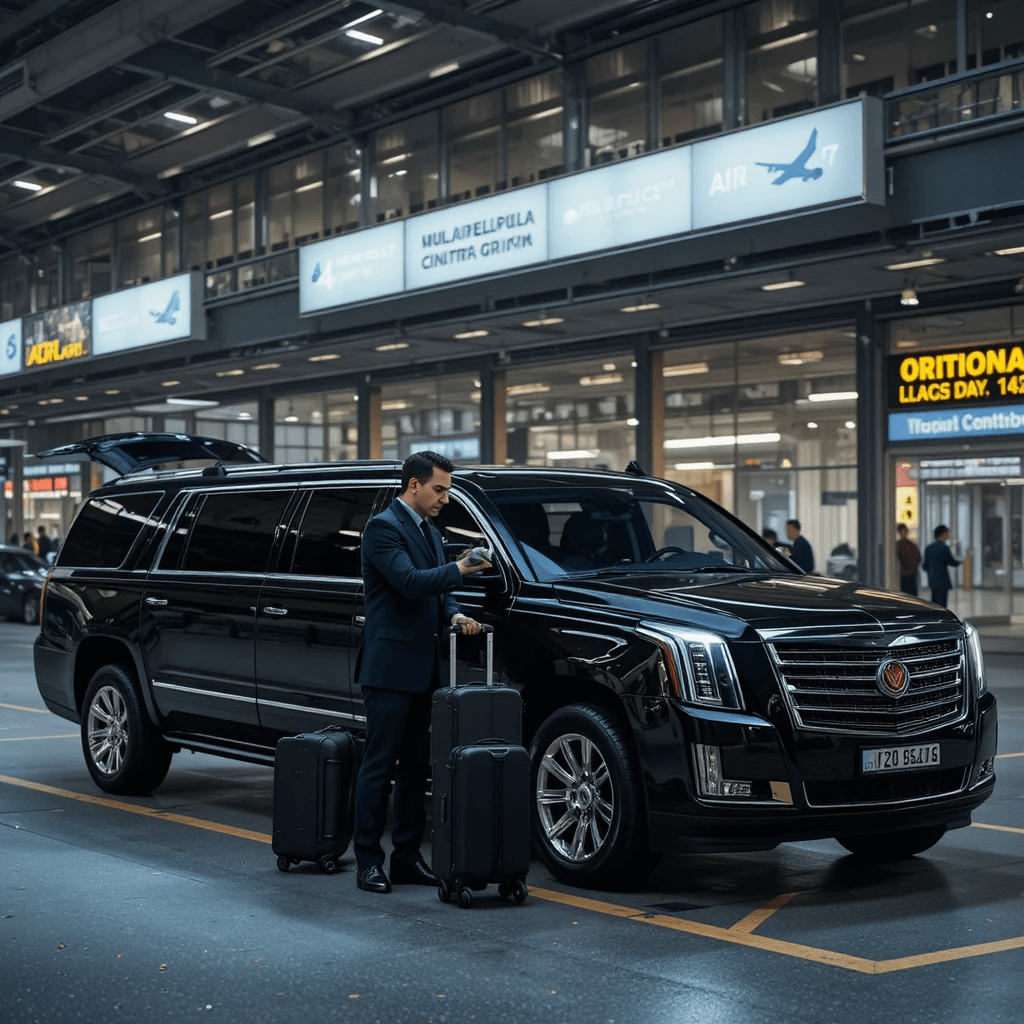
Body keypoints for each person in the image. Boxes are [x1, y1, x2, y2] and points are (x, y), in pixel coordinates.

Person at [352, 450, 490, 895]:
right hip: (389, 670)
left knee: (415, 768)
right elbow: (411, 582)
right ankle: (368, 862)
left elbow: (438, 589)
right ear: (414, 485)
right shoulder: (382, 529)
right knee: (379, 766)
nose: (445, 498)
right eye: (439, 489)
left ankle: (407, 858)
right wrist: (460, 568)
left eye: (446, 490)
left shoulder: (429, 530)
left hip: (423, 669)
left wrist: (453, 613)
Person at [923, 524, 960, 608]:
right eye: (947, 533)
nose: (948, 535)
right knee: (942, 604)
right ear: (942, 534)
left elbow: (925, 565)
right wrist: (960, 562)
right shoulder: (944, 548)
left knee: (934, 603)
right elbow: (951, 562)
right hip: (943, 581)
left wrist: (931, 572)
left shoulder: (929, 548)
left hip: (932, 580)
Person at [896, 523, 921, 597]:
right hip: (903, 574)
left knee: (911, 595)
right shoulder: (898, 545)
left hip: (910, 574)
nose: (904, 533)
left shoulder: (912, 545)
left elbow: (918, 558)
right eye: (902, 531)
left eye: (905, 531)